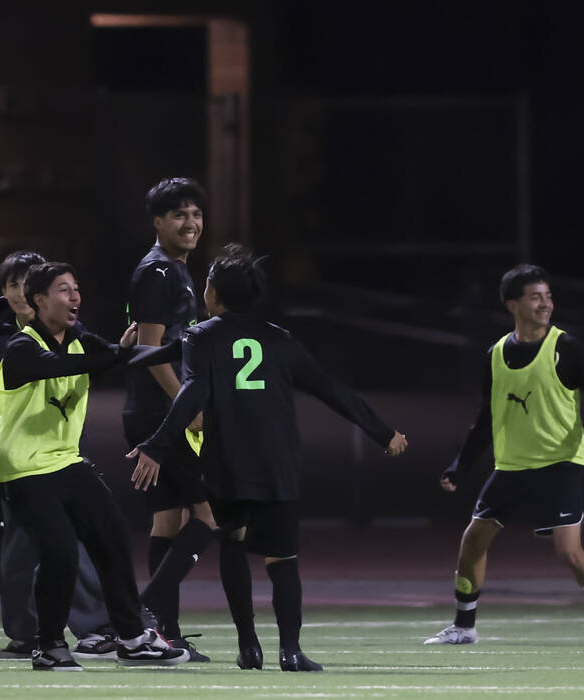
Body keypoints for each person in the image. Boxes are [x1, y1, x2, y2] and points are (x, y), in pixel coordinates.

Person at [128, 245, 408, 672]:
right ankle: (291, 651)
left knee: (234, 543)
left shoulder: (200, 336)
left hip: (228, 462)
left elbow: (191, 393)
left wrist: (156, 443)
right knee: (283, 558)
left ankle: (248, 646)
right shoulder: (280, 340)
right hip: (276, 461)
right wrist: (383, 433)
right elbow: (331, 389)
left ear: (215, 293)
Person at [0, 261, 188, 670]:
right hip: (23, 471)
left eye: (76, 289)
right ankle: (49, 645)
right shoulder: (21, 348)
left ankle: (131, 637)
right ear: (38, 301)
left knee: (112, 536)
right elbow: (63, 365)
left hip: (67, 463)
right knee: (60, 554)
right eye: (63, 290)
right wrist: (112, 355)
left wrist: (182, 346)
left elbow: (125, 355)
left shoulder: (80, 340)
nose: (75, 297)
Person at [424, 264, 584, 647]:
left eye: (548, 295)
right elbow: (485, 419)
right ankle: (464, 626)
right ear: (513, 305)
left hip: (561, 463)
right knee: (472, 540)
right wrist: (461, 466)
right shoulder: (494, 355)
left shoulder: (567, 348)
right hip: (511, 466)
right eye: (535, 296)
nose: (545, 303)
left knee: (568, 552)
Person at [0, 252, 117, 661]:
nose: (19, 293)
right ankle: (27, 634)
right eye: (12, 284)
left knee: (73, 544)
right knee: (21, 547)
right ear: (5, 292)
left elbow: (98, 361)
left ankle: (93, 628)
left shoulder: (69, 329)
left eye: (25, 284)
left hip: (60, 452)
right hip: (16, 454)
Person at [123, 177, 214, 660]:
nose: (191, 222)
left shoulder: (171, 269)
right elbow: (149, 351)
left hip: (153, 411)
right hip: (162, 414)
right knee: (209, 516)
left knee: (169, 521)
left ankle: (165, 635)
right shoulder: (159, 271)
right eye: (179, 214)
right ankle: (144, 611)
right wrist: (187, 404)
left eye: (196, 213)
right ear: (157, 221)